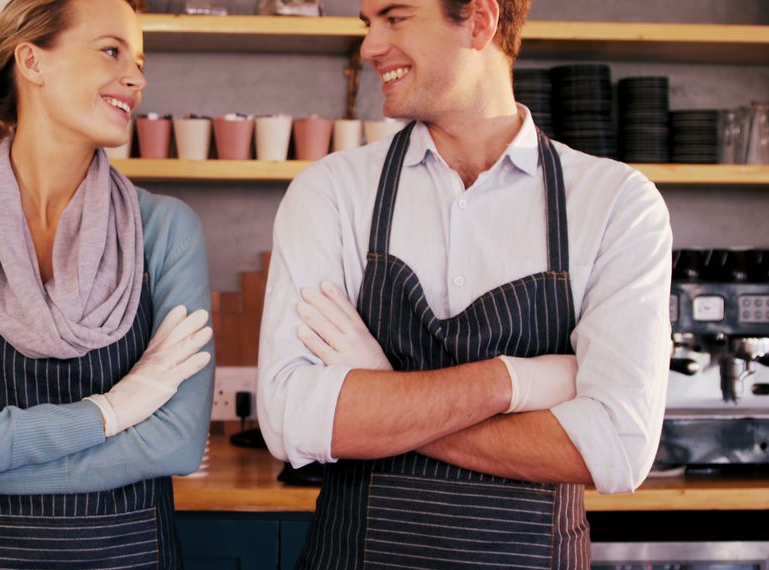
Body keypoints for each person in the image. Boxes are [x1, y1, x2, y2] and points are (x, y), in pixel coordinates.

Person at [257, 0, 672, 567]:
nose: (370, 47)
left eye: (395, 17)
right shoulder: (331, 192)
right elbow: (289, 420)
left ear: (479, 21)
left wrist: (383, 390)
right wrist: (514, 381)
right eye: (368, 24)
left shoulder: (616, 204)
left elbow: (616, 448)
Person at [0, 0, 214, 567]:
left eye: (140, 60)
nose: (137, 77)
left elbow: (176, 440)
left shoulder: (166, 230)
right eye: (111, 51)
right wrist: (110, 412)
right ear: (32, 61)